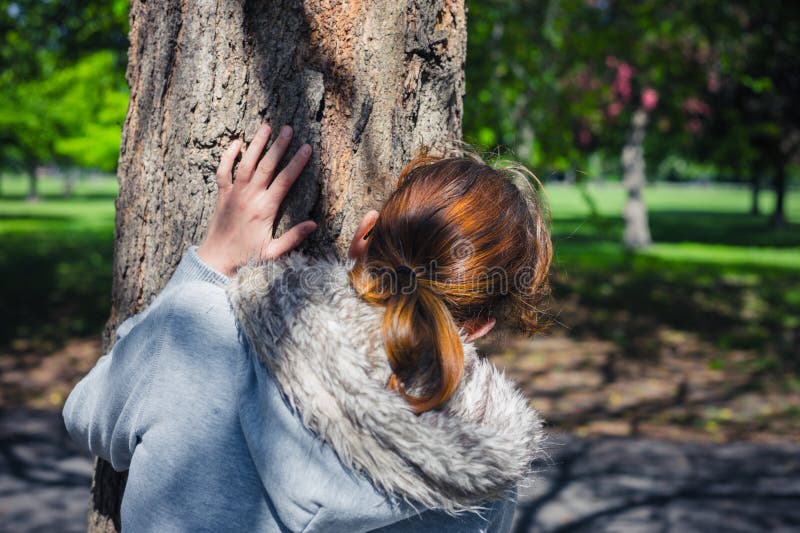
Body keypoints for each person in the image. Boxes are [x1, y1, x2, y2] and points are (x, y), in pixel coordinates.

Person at [63, 122, 552, 532]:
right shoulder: (482, 478)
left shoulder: (207, 335)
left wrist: (206, 272)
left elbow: (86, 414)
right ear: (483, 323)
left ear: (364, 236)